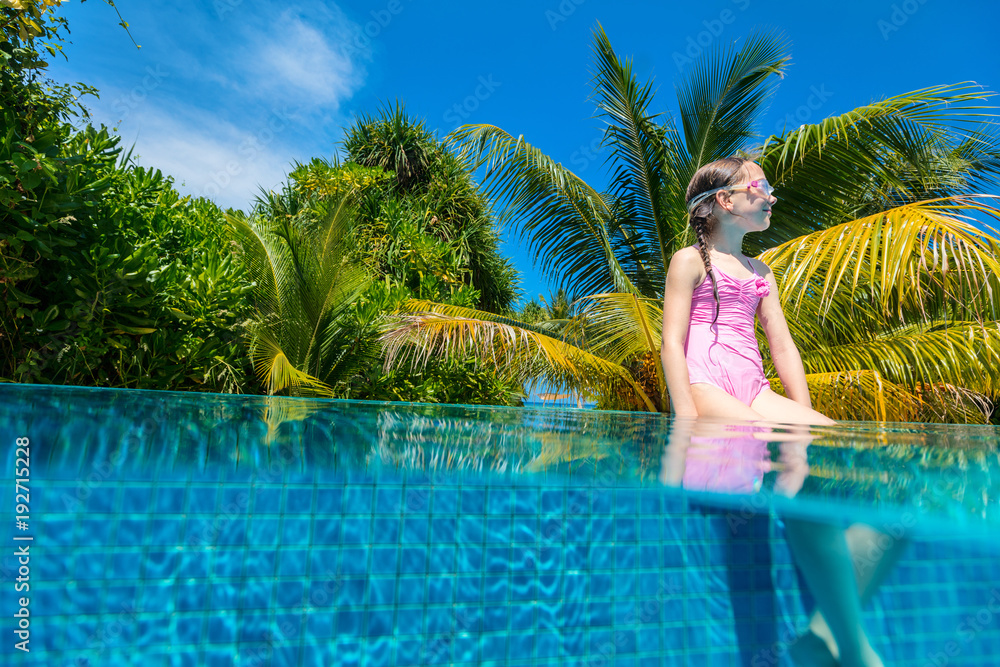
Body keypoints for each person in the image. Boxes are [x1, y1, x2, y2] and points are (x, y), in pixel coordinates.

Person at [659, 156, 903, 667]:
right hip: (707, 383)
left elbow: (784, 348)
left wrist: (805, 425)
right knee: (792, 472)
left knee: (861, 455)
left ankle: (821, 636)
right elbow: (672, 341)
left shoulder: (759, 270)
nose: (771, 195)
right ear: (726, 202)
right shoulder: (688, 260)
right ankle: (853, 650)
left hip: (753, 388)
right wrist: (684, 421)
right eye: (761, 187)